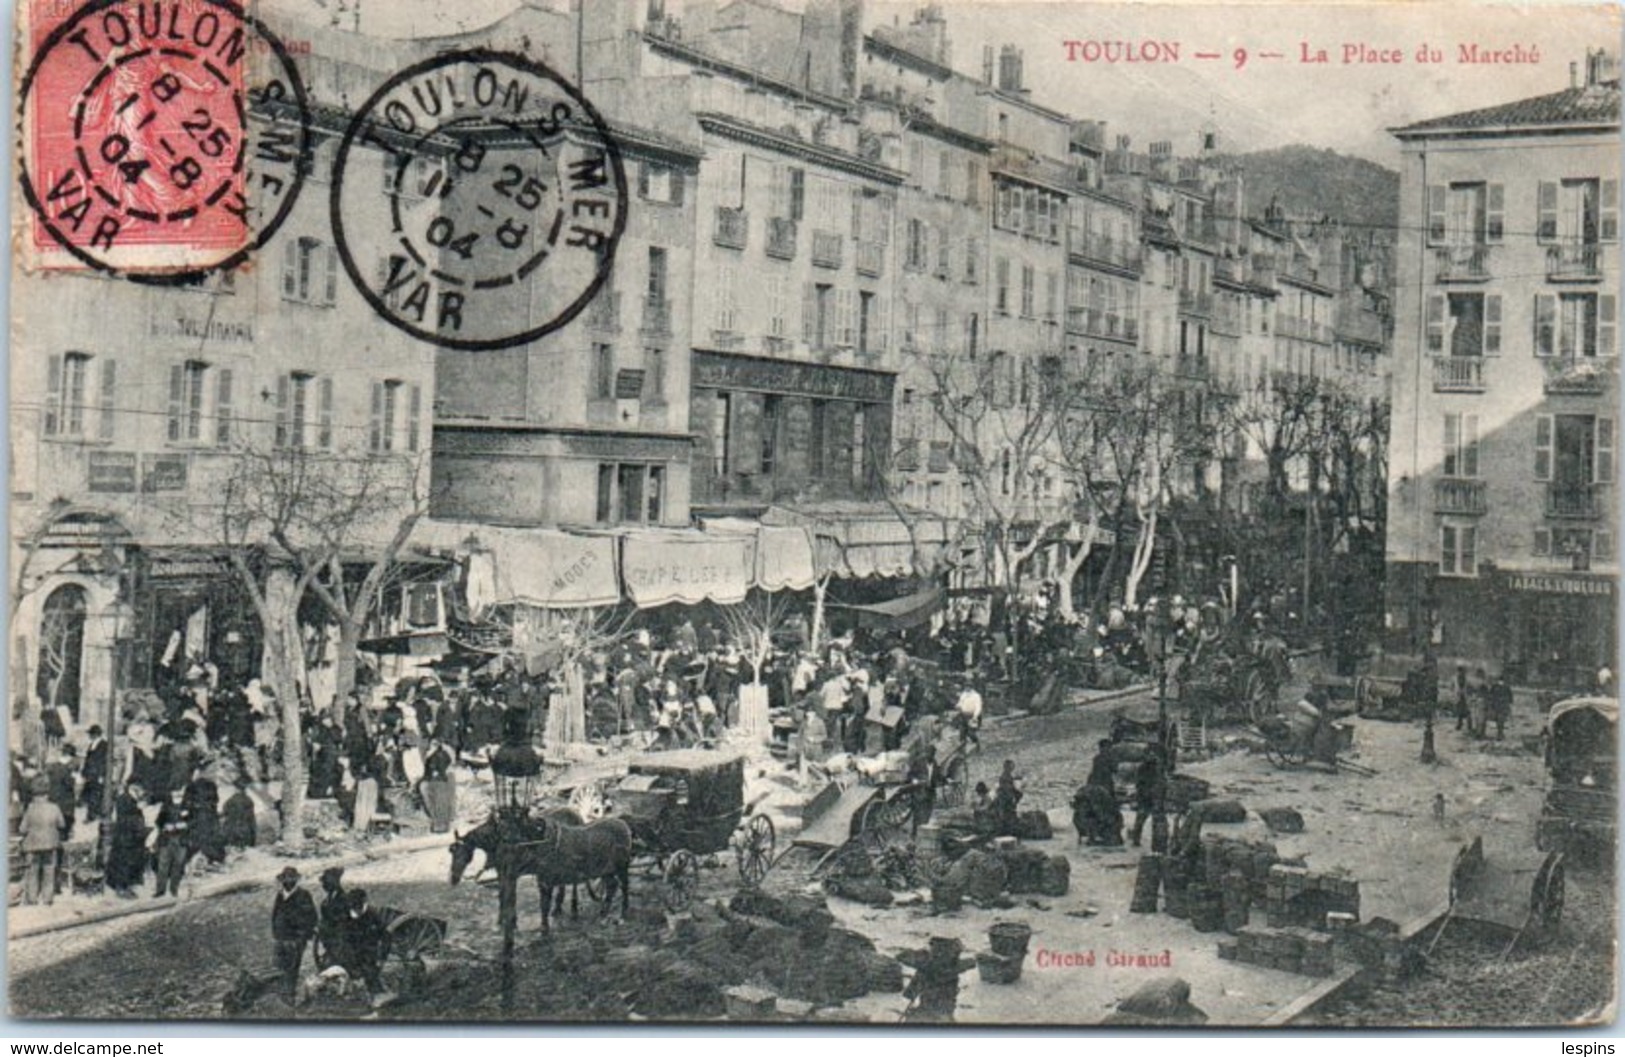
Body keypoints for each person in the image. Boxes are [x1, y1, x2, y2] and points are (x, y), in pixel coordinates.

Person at [898, 937, 976, 1023]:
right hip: (942, 1008)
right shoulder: (953, 966)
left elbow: (902, 957)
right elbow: (971, 963)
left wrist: (911, 993)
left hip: (935, 1008)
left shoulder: (927, 965)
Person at [271, 866, 318, 1003]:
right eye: (285, 880)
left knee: (292, 968)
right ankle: (283, 995)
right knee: (280, 967)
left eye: (291, 879)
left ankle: (289, 996)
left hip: (295, 939)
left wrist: (301, 937)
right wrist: (275, 932)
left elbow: (311, 918)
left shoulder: (303, 895)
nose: (287, 882)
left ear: (295, 881)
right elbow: (275, 915)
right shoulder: (280, 895)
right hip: (280, 938)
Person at [18, 776, 65, 905]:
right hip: (50, 844)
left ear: (34, 795)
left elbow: (22, 829)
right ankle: (47, 899)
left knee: (32, 872)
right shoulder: (54, 808)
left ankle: (32, 898)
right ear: (47, 795)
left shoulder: (30, 808)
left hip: (32, 845)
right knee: (49, 872)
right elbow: (62, 824)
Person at [338, 888, 387, 994]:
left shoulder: (373, 915)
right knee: (351, 973)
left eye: (357, 905)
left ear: (362, 902)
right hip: (352, 950)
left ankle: (376, 994)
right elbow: (343, 937)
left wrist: (382, 957)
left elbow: (385, 936)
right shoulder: (346, 915)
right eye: (352, 905)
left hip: (370, 951)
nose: (355, 909)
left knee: (370, 974)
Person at [106, 781, 149, 898]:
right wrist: (137, 808)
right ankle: (122, 888)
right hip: (126, 837)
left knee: (128, 862)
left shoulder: (130, 799)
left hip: (130, 837)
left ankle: (125, 886)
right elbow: (127, 817)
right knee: (124, 863)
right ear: (134, 788)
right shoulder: (125, 800)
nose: (142, 793)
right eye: (140, 790)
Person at [152, 786, 191, 898]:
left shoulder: (188, 806)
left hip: (181, 839)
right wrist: (165, 826)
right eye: (175, 792)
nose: (177, 794)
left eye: (179, 792)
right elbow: (159, 821)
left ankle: (174, 890)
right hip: (167, 839)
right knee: (163, 865)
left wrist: (186, 825)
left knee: (178, 865)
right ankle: (160, 890)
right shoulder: (166, 806)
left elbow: (193, 821)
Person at [316, 867, 349, 969]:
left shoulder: (343, 898)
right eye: (324, 882)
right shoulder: (328, 899)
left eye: (327, 882)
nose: (324, 885)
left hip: (340, 937)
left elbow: (345, 919)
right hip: (329, 938)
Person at [1129, 753, 1164, 847]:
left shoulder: (1144, 770)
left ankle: (1137, 840)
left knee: (1141, 819)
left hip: (1146, 798)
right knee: (1151, 820)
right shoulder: (1150, 771)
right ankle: (1154, 842)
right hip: (1148, 798)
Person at [80, 725, 109, 822]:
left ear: (95, 734)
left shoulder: (104, 745)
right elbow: (88, 760)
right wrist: (84, 772)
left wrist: (102, 774)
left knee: (96, 794)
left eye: (91, 734)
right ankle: (92, 814)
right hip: (90, 774)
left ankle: (94, 815)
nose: (89, 736)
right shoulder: (92, 745)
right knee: (91, 794)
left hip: (98, 774)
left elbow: (105, 761)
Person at [990, 759, 1023, 837]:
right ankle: (1005, 831)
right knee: (1006, 815)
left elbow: (1010, 788)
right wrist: (1014, 797)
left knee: (1007, 815)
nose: (1013, 768)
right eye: (1011, 766)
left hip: (1006, 798)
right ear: (1007, 767)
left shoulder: (1007, 776)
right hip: (1005, 799)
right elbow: (1007, 789)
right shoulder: (1005, 777)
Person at [221, 782, 257, 851]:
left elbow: (224, 812)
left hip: (231, 832)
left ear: (235, 789)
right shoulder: (249, 801)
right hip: (245, 833)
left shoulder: (230, 801)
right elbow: (252, 821)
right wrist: (253, 840)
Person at [953, 685, 983, 751]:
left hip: (972, 715)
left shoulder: (976, 696)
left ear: (971, 687)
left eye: (968, 687)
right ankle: (962, 749)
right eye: (965, 687)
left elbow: (978, 707)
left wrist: (975, 717)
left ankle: (977, 745)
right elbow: (961, 703)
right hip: (963, 715)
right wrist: (957, 706)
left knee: (971, 733)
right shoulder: (963, 694)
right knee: (962, 732)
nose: (966, 688)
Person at [1487, 673, 1514, 741]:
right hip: (1500, 706)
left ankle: (1500, 733)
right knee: (1500, 720)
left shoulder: (1497, 686)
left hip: (1500, 706)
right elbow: (1510, 698)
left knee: (1500, 720)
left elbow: (1490, 696)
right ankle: (1500, 733)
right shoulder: (1505, 687)